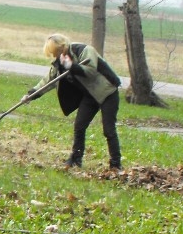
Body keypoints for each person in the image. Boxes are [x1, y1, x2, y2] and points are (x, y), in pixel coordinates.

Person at [24, 33, 122, 170]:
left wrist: (71, 66)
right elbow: (48, 80)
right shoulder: (60, 63)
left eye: (55, 52)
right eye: (52, 54)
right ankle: (75, 160)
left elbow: (91, 71)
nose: (54, 56)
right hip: (90, 96)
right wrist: (31, 94)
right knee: (79, 126)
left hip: (107, 92)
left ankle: (116, 164)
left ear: (62, 47)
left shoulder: (84, 50)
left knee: (109, 130)